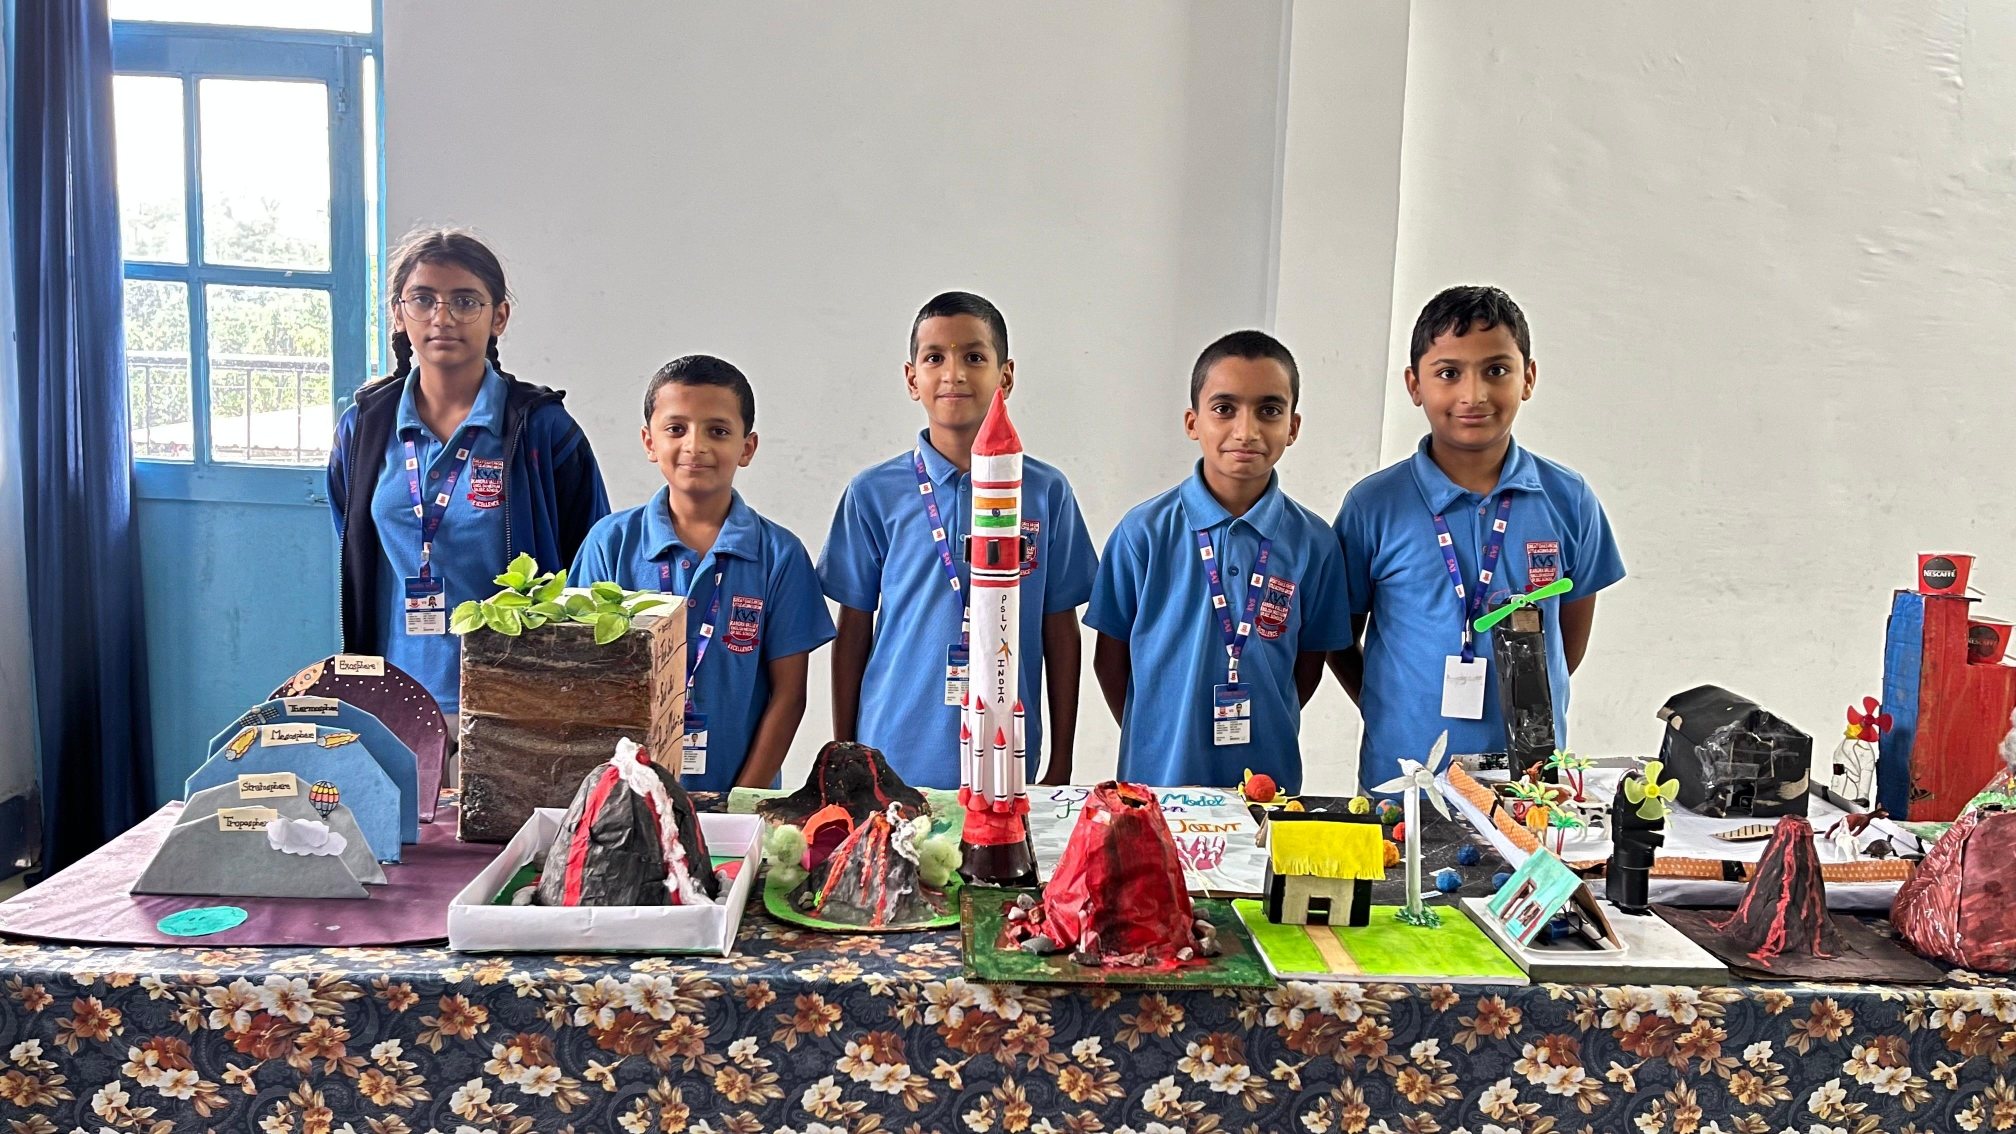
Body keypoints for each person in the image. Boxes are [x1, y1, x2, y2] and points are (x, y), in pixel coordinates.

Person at [1331, 285, 1624, 790]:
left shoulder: (1568, 498)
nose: (1474, 395)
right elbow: (1339, 638)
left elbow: (1567, 644)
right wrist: (1388, 704)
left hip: (1529, 785)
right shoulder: (1373, 506)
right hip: (1403, 782)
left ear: (1528, 377)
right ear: (1414, 385)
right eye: (1449, 373)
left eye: (1496, 370)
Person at [818, 292, 1097, 789]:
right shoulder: (873, 492)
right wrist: (846, 753)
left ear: (1005, 376)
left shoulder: (1045, 491)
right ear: (912, 379)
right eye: (934, 358)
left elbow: (1060, 627)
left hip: (1006, 750)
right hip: (891, 749)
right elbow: (853, 628)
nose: (954, 374)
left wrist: (1062, 760)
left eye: (974, 356)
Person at [328, 229, 608, 722]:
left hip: (516, 698)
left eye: (464, 301)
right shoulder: (364, 428)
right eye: (423, 299)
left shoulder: (540, 430)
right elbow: (353, 542)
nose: (443, 317)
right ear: (399, 313)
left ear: (499, 316)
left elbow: (591, 563)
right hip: (393, 695)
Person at [1086, 331, 1352, 792]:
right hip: (1158, 782)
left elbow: (1308, 666)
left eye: (1269, 410)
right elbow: (1110, 661)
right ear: (1193, 422)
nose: (1246, 431)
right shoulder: (1142, 533)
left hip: (1267, 784)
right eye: (1225, 408)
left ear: (1293, 426)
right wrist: (1155, 730)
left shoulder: (1314, 542)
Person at [570, 355, 835, 790]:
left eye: (718, 431)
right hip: (625, 796)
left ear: (747, 448)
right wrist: (616, 792)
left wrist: (742, 797)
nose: (696, 446)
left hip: (737, 795)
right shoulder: (610, 544)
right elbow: (584, 682)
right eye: (676, 429)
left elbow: (789, 696)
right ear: (649, 441)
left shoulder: (779, 554)